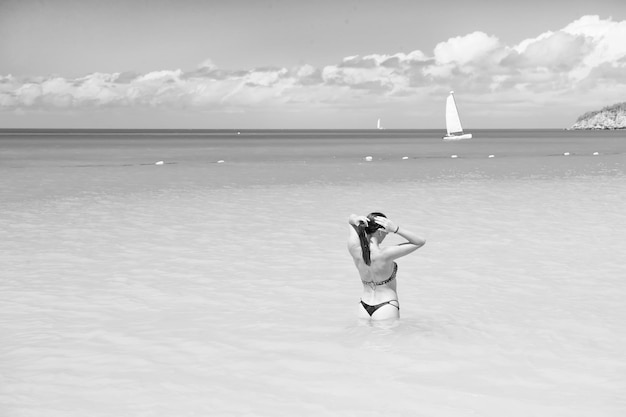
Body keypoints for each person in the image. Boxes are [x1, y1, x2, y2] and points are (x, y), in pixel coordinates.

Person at [347, 212, 426, 320]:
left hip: (363, 305)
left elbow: (351, 220)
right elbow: (420, 241)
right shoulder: (385, 253)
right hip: (386, 307)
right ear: (380, 232)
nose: (387, 234)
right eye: (386, 231)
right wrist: (396, 229)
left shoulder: (354, 249)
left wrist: (355, 219)